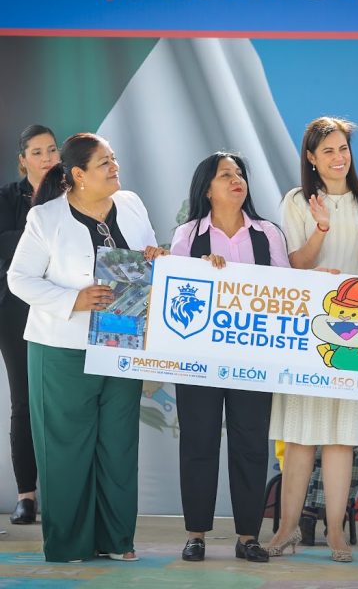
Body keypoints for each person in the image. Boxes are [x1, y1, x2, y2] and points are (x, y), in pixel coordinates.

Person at [8, 132, 165, 562]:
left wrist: (156, 255)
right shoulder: (45, 218)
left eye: (114, 159)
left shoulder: (131, 204)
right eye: (104, 163)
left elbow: (146, 259)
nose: (115, 167)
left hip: (122, 340)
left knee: (118, 445)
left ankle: (116, 540)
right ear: (78, 174)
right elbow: (19, 279)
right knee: (66, 448)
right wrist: (72, 300)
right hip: (61, 348)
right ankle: (69, 544)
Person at [268, 116, 358, 563]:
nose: (339, 158)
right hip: (310, 329)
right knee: (301, 437)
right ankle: (285, 529)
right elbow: (295, 263)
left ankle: (336, 531)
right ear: (311, 158)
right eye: (328, 151)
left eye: (343, 149)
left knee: (342, 439)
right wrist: (320, 229)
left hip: (357, 335)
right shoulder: (296, 200)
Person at [170, 152, 290, 564]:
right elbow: (174, 290)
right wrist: (200, 271)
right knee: (198, 442)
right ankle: (196, 535)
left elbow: (286, 291)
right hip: (197, 359)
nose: (237, 180)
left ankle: (248, 537)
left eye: (240, 174)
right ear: (207, 188)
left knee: (251, 445)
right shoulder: (187, 234)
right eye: (226, 175)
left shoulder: (267, 234)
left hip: (253, 359)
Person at [0, 124, 60, 525]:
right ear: (23, 160)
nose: (47, 158)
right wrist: (44, 234)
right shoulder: (7, 197)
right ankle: (26, 495)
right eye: (37, 152)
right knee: (23, 402)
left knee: (62, 403)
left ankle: (64, 491)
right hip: (16, 307)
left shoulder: (73, 194)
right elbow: (4, 242)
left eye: (52, 150)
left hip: (67, 305)